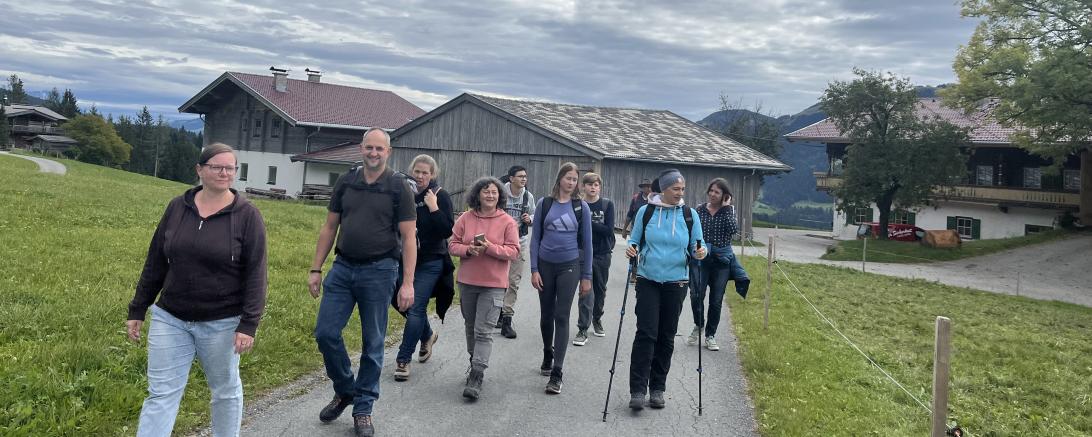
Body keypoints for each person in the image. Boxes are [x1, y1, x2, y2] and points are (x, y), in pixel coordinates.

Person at [126, 143, 268, 437]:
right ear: (200, 170)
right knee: (161, 393)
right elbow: (155, 261)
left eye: (230, 167)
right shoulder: (178, 207)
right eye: (216, 166)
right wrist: (138, 307)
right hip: (171, 317)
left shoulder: (247, 215)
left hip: (222, 322)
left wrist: (249, 323)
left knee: (225, 391)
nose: (224, 172)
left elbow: (256, 273)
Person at [307, 128, 417, 437]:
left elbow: (409, 238)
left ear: (388, 152)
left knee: (373, 342)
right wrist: (316, 268)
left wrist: (407, 283)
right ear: (361, 148)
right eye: (369, 147)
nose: (373, 153)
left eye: (379, 148)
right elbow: (330, 227)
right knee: (326, 334)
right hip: (342, 268)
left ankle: (363, 408)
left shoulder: (398, 187)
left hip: (380, 271)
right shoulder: (347, 181)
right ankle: (345, 389)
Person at [625, 169, 706, 411]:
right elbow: (634, 240)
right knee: (646, 333)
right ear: (664, 189)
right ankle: (638, 390)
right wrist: (631, 249)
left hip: (677, 282)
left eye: (682, 189)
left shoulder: (690, 215)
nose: (680, 194)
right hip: (648, 279)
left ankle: (657, 389)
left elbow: (697, 246)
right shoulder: (647, 211)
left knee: (666, 336)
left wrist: (701, 252)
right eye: (676, 189)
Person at [448, 177, 521, 400]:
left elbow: (514, 251)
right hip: (468, 281)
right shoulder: (466, 218)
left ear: (500, 196)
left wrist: (491, 248)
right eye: (486, 192)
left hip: (494, 284)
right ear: (477, 195)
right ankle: (474, 362)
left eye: (494, 192)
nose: (490, 196)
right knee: (470, 326)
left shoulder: (508, 221)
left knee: (484, 330)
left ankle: (477, 374)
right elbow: (452, 244)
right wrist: (468, 250)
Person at [530, 162, 593, 394]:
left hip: (570, 266)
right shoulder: (544, 204)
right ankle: (548, 351)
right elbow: (535, 238)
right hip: (545, 265)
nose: (571, 182)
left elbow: (587, 243)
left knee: (561, 315)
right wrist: (534, 269)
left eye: (575, 179)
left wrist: (586, 276)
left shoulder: (581, 207)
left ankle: (557, 371)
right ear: (559, 179)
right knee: (546, 314)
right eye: (568, 178)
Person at [393, 154, 454, 382]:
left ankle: (403, 359)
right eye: (417, 171)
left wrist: (434, 208)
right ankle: (427, 334)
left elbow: (447, 231)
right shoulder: (403, 193)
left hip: (431, 261)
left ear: (432, 175)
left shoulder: (440, 196)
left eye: (425, 173)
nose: (420, 176)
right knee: (398, 300)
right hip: (404, 259)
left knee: (416, 306)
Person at [687, 178, 750, 352]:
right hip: (701, 260)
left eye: (717, 192)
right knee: (695, 294)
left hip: (722, 262)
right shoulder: (699, 210)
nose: (713, 194)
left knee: (716, 300)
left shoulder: (729, 211)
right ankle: (698, 324)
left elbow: (733, 231)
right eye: (711, 191)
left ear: (724, 195)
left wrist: (727, 208)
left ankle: (710, 335)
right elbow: (692, 232)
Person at [573, 172, 615, 346]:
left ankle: (597, 318)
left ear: (599, 187)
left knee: (600, 289)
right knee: (585, 291)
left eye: (596, 184)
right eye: (589, 184)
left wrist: (588, 223)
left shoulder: (607, 205)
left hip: (602, 253)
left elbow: (609, 230)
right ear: (583, 186)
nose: (592, 187)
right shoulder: (577, 205)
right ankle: (583, 327)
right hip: (582, 253)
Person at [500, 165, 535, 339]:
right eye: (520, 176)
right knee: (498, 280)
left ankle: (506, 320)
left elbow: (536, 216)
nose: (523, 179)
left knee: (513, 282)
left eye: (525, 177)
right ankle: (496, 312)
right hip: (498, 243)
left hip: (519, 243)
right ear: (511, 178)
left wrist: (530, 219)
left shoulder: (528, 197)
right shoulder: (499, 193)